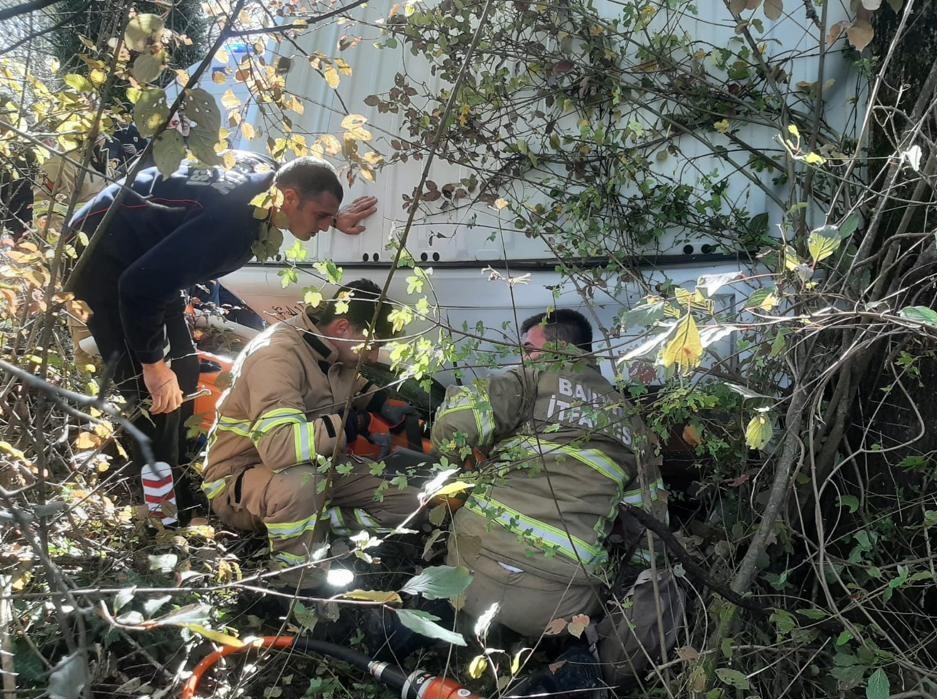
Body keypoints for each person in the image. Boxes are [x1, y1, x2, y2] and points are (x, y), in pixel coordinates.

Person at [65, 153, 377, 519]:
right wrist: (152, 364)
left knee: (183, 373)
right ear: (290, 200)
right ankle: (164, 517)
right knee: (152, 402)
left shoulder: (269, 184)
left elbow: (294, 172)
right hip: (101, 257)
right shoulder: (232, 229)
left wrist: (331, 214)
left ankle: (178, 481)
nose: (324, 226)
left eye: (327, 218)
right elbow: (137, 287)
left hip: (148, 257)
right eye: (320, 217)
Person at [431, 309, 667, 641]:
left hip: (468, 574)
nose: (522, 358)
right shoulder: (631, 422)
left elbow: (453, 424)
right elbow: (650, 532)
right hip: (556, 608)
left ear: (560, 349)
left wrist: (471, 465)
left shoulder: (532, 378)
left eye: (528, 349)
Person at [201, 279, 420, 590]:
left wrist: (386, 403)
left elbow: (344, 385)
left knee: (408, 500)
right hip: (240, 478)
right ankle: (298, 584)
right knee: (301, 487)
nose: (372, 357)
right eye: (371, 345)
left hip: (316, 467)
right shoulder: (276, 357)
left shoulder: (333, 350)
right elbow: (279, 449)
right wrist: (352, 425)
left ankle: (313, 524)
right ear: (343, 327)